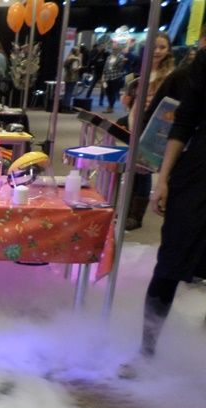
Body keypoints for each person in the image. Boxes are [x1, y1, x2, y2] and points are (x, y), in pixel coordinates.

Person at [120, 48, 206, 379]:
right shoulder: (199, 66)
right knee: (171, 262)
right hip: (197, 174)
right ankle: (146, 351)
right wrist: (164, 179)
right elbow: (183, 123)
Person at [121, 33, 175, 230]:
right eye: (154, 47)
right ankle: (126, 210)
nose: (158, 51)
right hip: (136, 124)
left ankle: (136, 215)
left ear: (168, 50)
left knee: (144, 170)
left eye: (162, 47)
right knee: (132, 170)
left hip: (155, 128)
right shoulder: (142, 73)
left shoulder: (170, 75)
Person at [102, 43, 126, 114]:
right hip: (107, 77)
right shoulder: (109, 57)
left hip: (116, 77)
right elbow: (105, 67)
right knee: (107, 92)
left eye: (115, 49)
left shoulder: (121, 57)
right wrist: (103, 76)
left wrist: (123, 62)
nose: (114, 50)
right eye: (113, 49)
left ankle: (110, 107)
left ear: (118, 50)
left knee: (113, 92)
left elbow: (120, 67)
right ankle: (110, 105)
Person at [62, 47, 82, 112]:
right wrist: (79, 67)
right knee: (69, 93)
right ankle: (67, 107)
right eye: (78, 51)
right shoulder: (75, 59)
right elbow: (74, 68)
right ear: (76, 52)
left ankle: (64, 106)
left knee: (67, 92)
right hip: (72, 77)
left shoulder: (68, 58)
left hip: (67, 77)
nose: (79, 52)